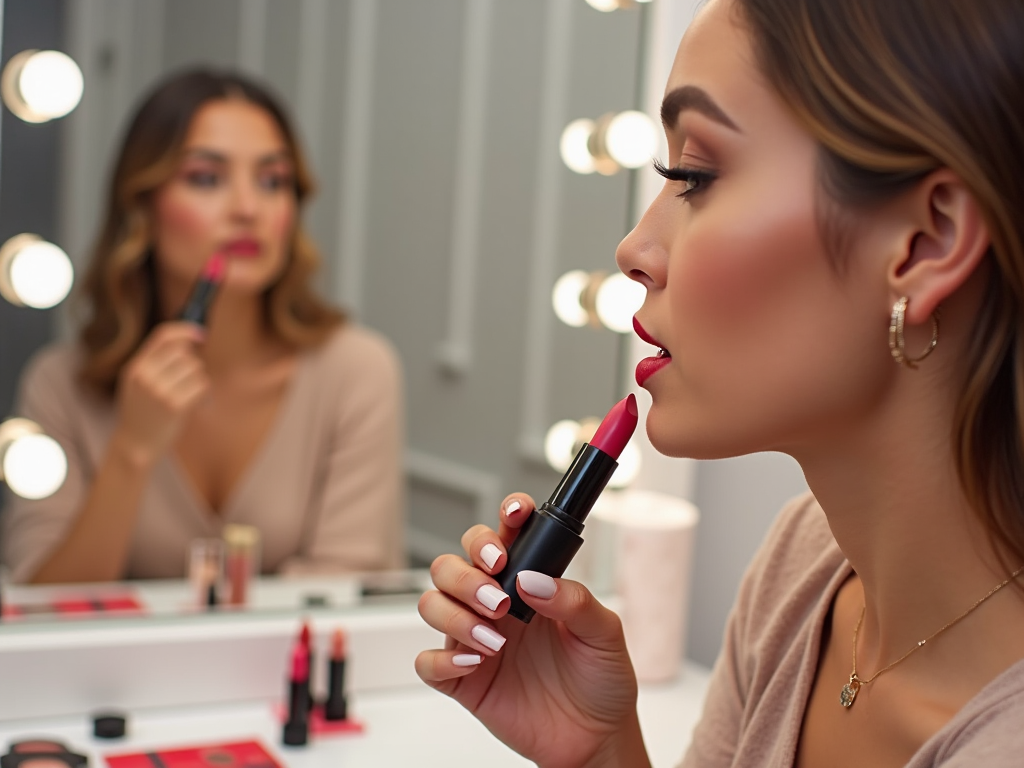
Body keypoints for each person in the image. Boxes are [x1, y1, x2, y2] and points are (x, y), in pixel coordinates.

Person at [415, 0, 1024, 765]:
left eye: (693, 175)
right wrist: (600, 750)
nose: (634, 248)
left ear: (926, 241)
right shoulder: (803, 567)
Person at [1, 68, 406, 584]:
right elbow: (44, 610)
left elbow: (347, 590)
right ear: (142, 206)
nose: (247, 209)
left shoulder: (357, 371)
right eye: (206, 178)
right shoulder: (59, 384)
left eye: (272, 181)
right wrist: (132, 450)